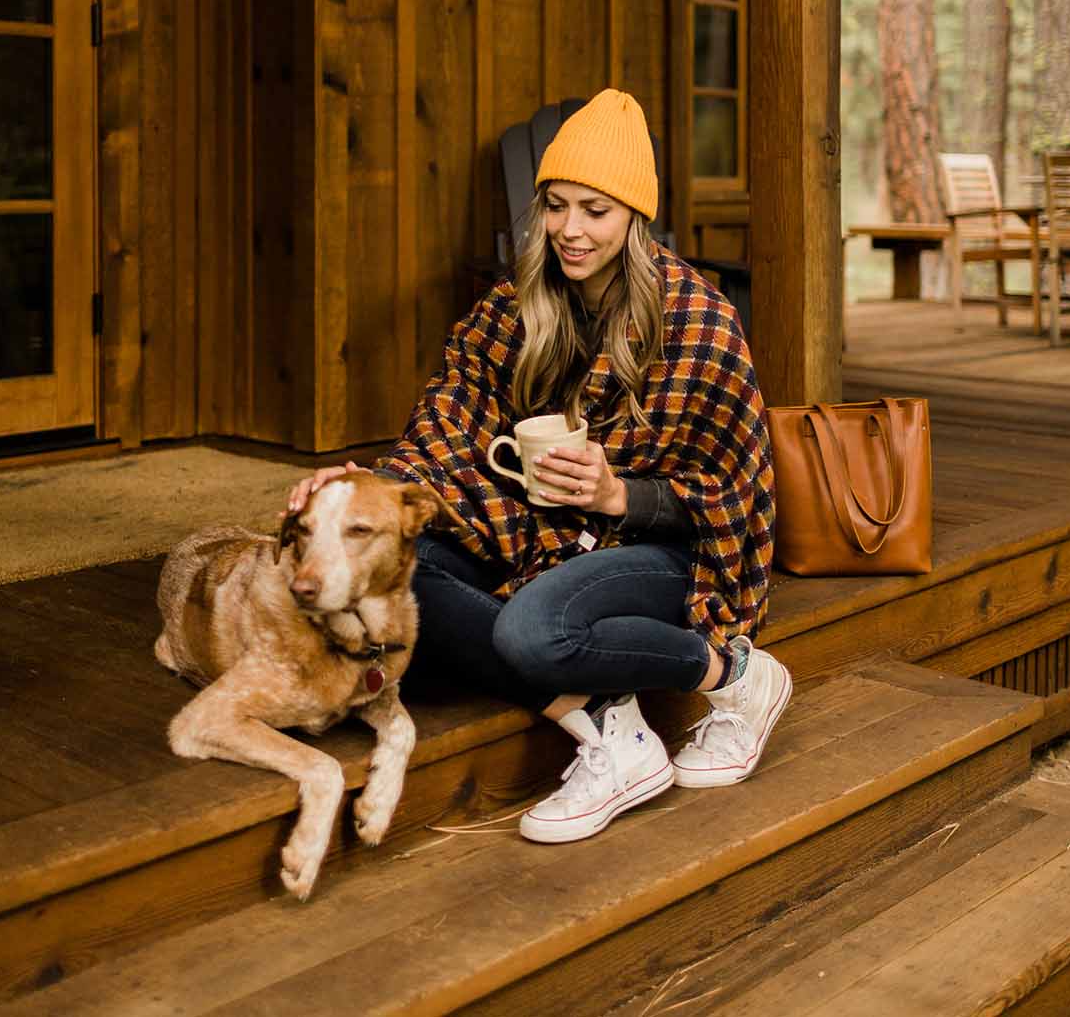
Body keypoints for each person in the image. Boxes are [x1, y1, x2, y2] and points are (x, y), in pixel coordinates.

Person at [288, 88, 789, 844]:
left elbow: (733, 495)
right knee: (384, 576)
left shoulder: (698, 320)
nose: (569, 230)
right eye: (555, 205)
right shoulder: (516, 306)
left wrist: (619, 491)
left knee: (530, 635)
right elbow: (445, 426)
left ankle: (735, 676)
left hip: (665, 549)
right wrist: (356, 496)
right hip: (542, 529)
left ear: (633, 217)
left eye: (595, 209)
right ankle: (603, 722)